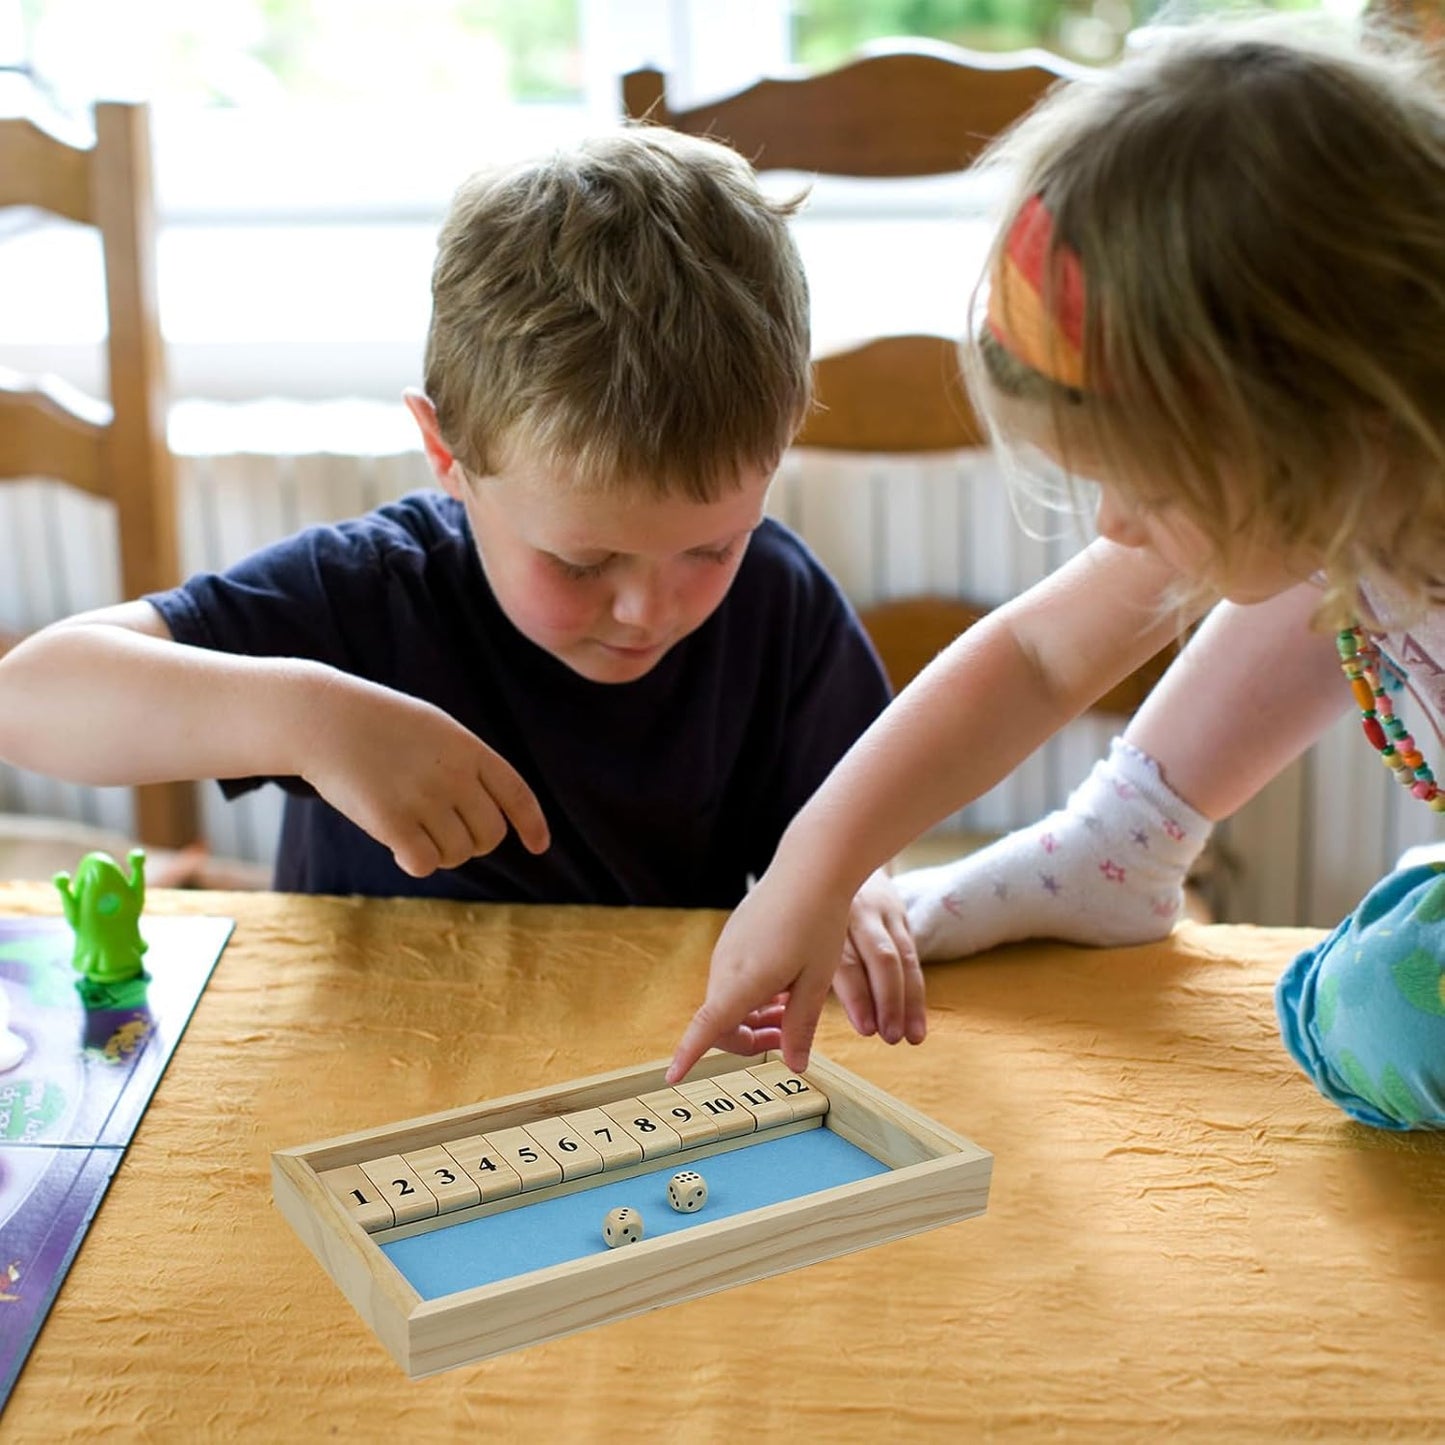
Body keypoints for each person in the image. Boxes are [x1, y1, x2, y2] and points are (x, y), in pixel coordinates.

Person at [666, 16, 1445, 1129]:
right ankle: (1114, 843)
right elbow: (1034, 657)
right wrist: (814, 866)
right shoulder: (1360, 477)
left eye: (1153, 485)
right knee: (1310, 561)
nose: (1117, 523)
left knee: (1384, 1015)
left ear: (1337, 422)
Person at [0, 128, 912, 979]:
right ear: (448, 455)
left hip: (638, 1074)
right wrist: (305, 721)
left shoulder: (780, 602)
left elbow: (850, 830)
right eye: (582, 563)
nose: (647, 606)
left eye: (711, 548)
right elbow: (28, 698)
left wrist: (856, 886)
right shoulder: (365, 593)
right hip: (372, 1064)